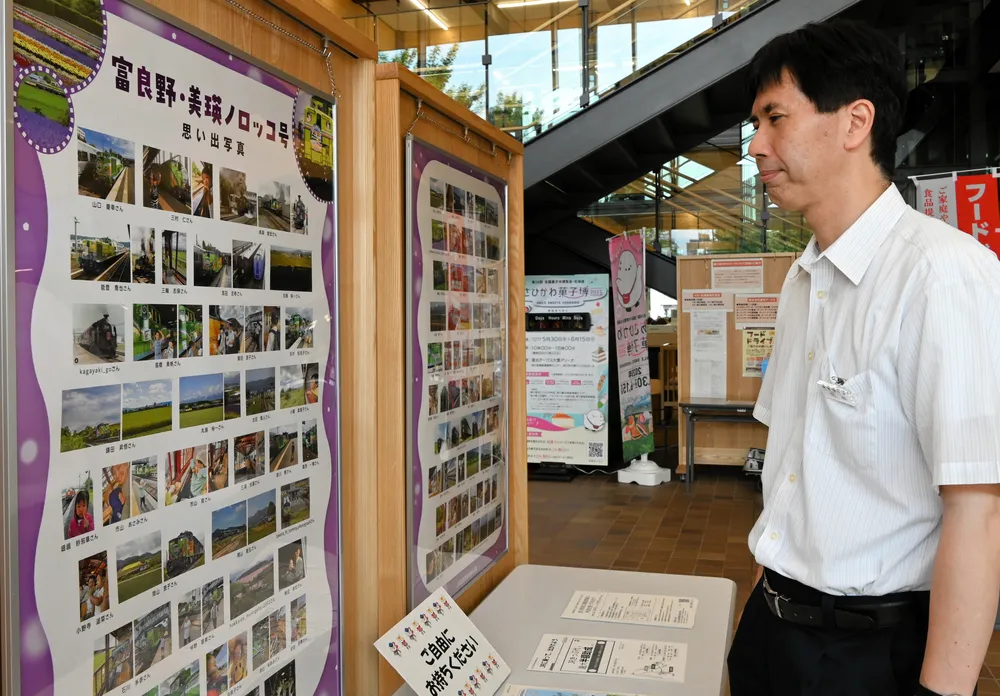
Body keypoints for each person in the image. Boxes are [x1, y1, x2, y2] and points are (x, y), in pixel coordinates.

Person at [727, 19, 1000, 696]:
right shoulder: (802, 279)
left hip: (867, 656)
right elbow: (791, 466)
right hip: (771, 631)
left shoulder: (943, 275)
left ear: (855, 123)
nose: (756, 146)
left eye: (774, 118)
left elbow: (980, 510)